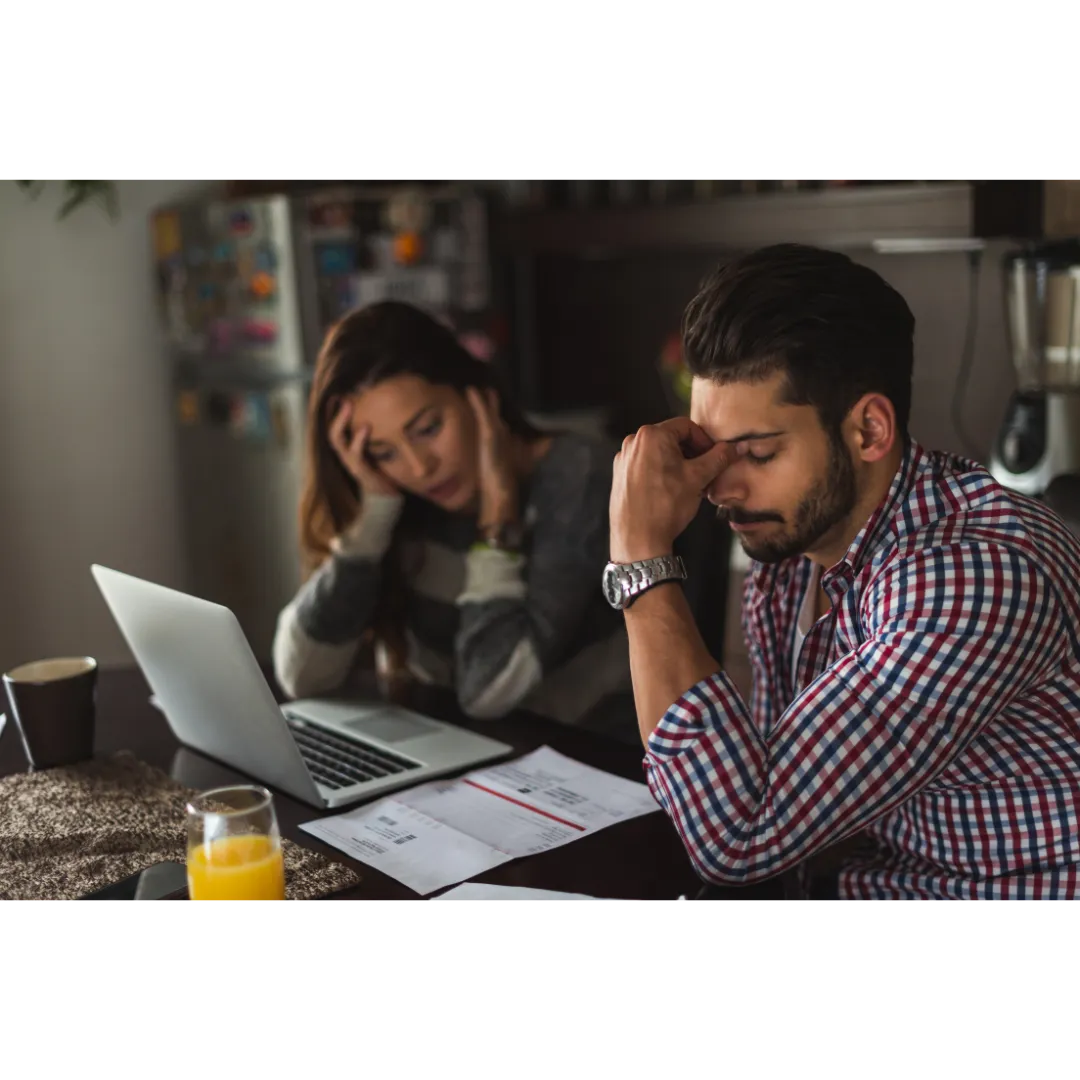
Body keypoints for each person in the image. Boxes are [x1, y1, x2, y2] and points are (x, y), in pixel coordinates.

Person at [606, 242, 1080, 902]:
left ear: (869, 431)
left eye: (757, 453)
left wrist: (640, 560)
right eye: (712, 452)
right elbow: (770, 799)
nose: (720, 489)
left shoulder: (973, 576)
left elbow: (741, 833)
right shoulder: (789, 555)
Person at [273, 299, 631, 737]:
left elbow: (488, 691)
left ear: (476, 394)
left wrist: (497, 521)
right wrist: (372, 520)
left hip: (582, 757)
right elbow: (301, 676)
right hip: (453, 751)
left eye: (428, 429)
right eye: (384, 452)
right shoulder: (401, 500)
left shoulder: (579, 478)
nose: (419, 468)